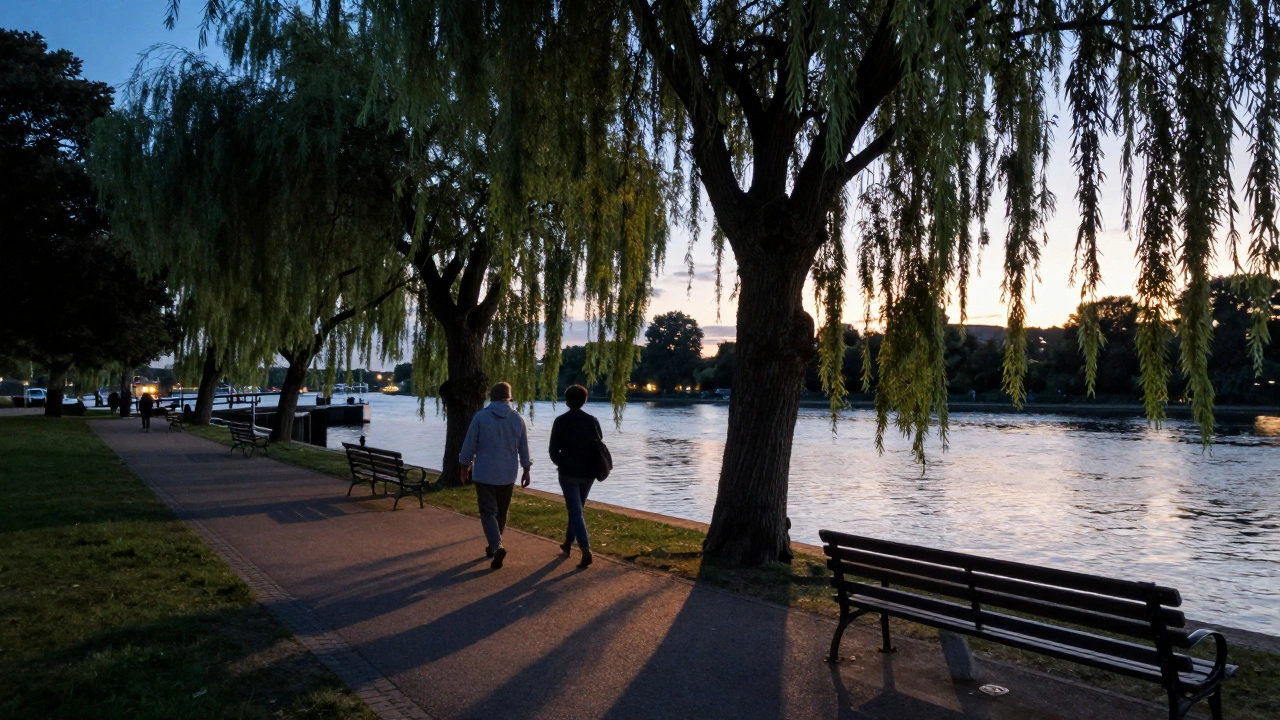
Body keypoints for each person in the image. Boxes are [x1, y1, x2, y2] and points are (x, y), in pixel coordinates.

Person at [458, 382, 532, 570]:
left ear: (491, 396)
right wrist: (526, 469)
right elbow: (523, 447)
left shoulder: (480, 417)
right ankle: (494, 545)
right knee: (502, 511)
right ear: (509, 397)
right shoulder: (517, 419)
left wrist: (464, 467)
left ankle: (496, 545)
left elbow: (469, 445)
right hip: (508, 473)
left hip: (484, 472)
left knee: (487, 511)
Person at [548, 384, 603, 569]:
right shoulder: (592, 420)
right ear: (584, 400)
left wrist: (561, 463)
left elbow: (553, 450)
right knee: (577, 508)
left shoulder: (560, 421)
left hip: (569, 472)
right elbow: (599, 443)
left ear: (566, 400)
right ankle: (567, 543)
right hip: (588, 472)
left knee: (575, 510)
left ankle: (586, 551)